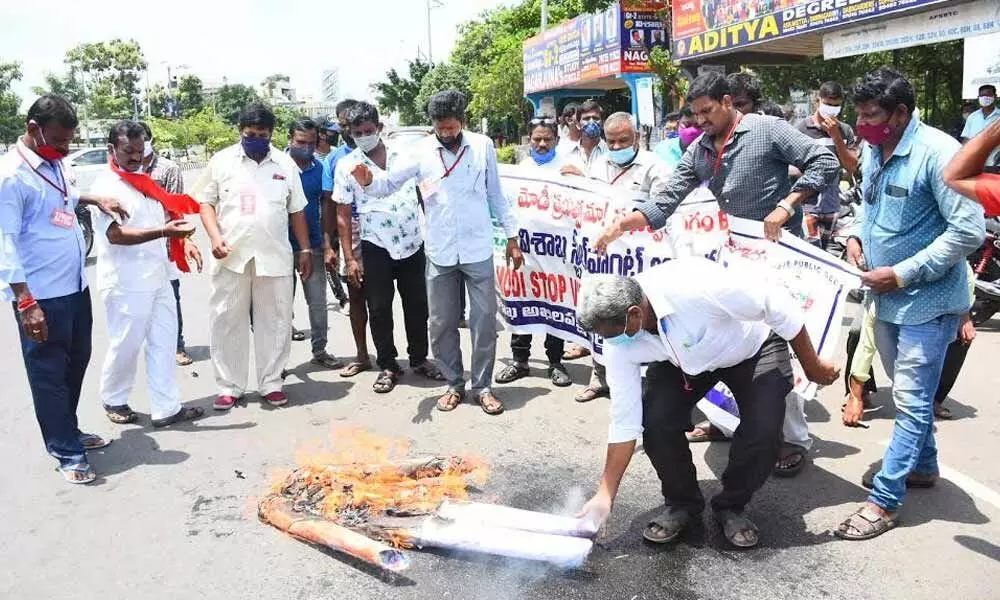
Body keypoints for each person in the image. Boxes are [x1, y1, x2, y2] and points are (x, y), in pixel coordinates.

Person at [594, 71, 840, 476]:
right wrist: (622, 226)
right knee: (729, 345)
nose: (701, 122)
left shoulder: (767, 129)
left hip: (776, 255)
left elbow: (824, 160)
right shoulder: (703, 149)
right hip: (733, 257)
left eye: (707, 112)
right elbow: (667, 199)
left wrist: (789, 203)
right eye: (695, 116)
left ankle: (792, 438)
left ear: (728, 102)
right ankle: (732, 424)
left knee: (778, 342)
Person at [574, 260, 839, 549]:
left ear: (634, 314)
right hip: (682, 362)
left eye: (611, 334)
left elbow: (777, 306)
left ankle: (732, 505)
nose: (608, 342)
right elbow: (624, 421)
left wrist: (812, 367)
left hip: (751, 348)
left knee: (763, 429)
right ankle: (682, 504)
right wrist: (605, 494)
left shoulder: (695, 286)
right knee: (657, 423)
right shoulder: (618, 345)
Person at [834, 67, 985, 541]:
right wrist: (857, 236)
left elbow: (969, 231)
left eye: (871, 115)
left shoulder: (940, 155)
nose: (862, 125)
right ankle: (922, 466)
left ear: (901, 113)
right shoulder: (877, 150)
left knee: (912, 400)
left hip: (929, 300)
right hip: (886, 299)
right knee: (906, 388)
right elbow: (869, 205)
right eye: (858, 115)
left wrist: (902, 272)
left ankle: (884, 500)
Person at [350, 89, 523, 415]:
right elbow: (387, 185)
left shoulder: (483, 146)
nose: (446, 133)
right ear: (432, 125)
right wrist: (369, 182)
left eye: (451, 127)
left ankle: (483, 386)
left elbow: (497, 196)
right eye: (440, 128)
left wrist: (512, 238)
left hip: (477, 247)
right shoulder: (420, 152)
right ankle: (454, 383)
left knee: (484, 319)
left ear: (463, 121)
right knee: (441, 322)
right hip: (440, 250)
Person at [0, 94, 129, 484]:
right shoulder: (11, 175)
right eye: (59, 141)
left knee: (76, 362)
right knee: (49, 374)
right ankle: (66, 451)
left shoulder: (52, 164)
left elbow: (63, 198)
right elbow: (3, 242)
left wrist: (95, 197)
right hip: (41, 296)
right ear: (33, 129)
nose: (66, 148)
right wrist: (25, 301)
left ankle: (68, 430)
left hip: (74, 286)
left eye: (69, 141)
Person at [195, 103, 313, 410]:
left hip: (274, 256)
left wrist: (305, 249)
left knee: (275, 320)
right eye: (250, 134)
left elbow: (297, 210)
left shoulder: (285, 165)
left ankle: (271, 382)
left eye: (262, 134)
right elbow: (205, 203)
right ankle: (229, 386)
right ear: (240, 132)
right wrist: (215, 237)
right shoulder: (221, 162)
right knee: (226, 319)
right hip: (231, 255)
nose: (256, 139)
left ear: (271, 133)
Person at [91, 120, 205, 429]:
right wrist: (163, 231)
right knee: (126, 343)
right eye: (128, 151)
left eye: (141, 151)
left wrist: (184, 240)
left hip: (158, 276)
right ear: (111, 149)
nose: (135, 157)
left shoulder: (144, 182)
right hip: (126, 281)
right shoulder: (106, 188)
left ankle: (166, 408)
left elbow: (167, 217)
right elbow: (115, 234)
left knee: (164, 342)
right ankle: (114, 397)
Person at [333, 101, 444, 393]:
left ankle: (419, 359)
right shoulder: (347, 166)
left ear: (379, 128)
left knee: (418, 305)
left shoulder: (406, 156)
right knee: (379, 308)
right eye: (357, 132)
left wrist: (434, 232)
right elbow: (342, 216)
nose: (364, 136)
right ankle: (388, 364)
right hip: (375, 245)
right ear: (350, 133)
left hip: (413, 242)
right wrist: (350, 258)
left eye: (369, 130)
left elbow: (426, 194)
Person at [574, 112, 672, 404]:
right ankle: (599, 377)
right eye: (612, 141)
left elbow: (663, 208)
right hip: (604, 258)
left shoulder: (656, 166)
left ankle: (649, 385)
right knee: (601, 315)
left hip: (639, 260)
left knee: (639, 320)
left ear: (637, 138)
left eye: (624, 141)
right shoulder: (598, 164)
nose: (617, 147)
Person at [494, 116, 573, 388]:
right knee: (521, 302)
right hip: (523, 252)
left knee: (555, 305)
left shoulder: (568, 171)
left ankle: (555, 361)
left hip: (555, 254)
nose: (541, 144)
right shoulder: (520, 171)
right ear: (529, 140)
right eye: (536, 139)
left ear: (556, 140)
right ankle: (520, 361)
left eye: (547, 139)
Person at [286, 116, 344, 370]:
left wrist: (328, 245)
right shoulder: (277, 168)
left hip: (314, 244)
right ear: (290, 140)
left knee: (317, 301)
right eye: (301, 142)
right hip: (281, 247)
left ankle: (319, 350)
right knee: (280, 304)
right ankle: (278, 361)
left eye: (311, 143)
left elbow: (326, 207)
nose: (307, 148)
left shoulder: (319, 169)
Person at [323, 99, 372, 378]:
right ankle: (362, 355)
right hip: (350, 236)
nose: (346, 130)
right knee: (356, 297)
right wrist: (329, 245)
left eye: (350, 124)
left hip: (383, 236)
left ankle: (391, 358)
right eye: (343, 125)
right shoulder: (335, 160)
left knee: (381, 301)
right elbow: (330, 205)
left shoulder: (385, 153)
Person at [139, 121, 193, 367]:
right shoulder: (126, 169)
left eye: (143, 141)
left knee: (171, 297)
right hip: (137, 245)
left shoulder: (167, 169)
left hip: (166, 244)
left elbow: (175, 208)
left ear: (151, 141)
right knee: (142, 298)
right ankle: (150, 346)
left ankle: (177, 346)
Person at [795, 81, 860, 250]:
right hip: (806, 205)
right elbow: (791, 167)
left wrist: (836, 136)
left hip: (832, 205)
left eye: (836, 105)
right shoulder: (802, 129)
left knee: (827, 253)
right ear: (818, 101)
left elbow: (852, 166)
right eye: (828, 104)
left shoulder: (845, 131)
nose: (831, 109)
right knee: (810, 253)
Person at [944, 116, 1000, 215]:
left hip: (985, 164)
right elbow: (966, 138)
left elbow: (953, 177)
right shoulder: (973, 117)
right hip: (975, 166)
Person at [560, 99, 608, 176]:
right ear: (578, 124)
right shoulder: (565, 153)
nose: (591, 122)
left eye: (596, 118)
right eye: (586, 119)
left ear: (602, 123)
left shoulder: (609, 153)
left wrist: (583, 178)